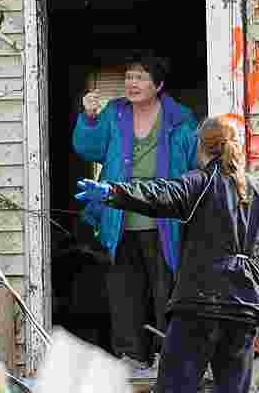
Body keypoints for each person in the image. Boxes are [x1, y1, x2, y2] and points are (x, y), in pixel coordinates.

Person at [76, 115, 259, 393]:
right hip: (244, 311)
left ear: (202, 147)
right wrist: (247, 277)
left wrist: (112, 192)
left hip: (198, 307)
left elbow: (157, 194)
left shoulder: (198, 183)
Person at [72, 54, 197, 371]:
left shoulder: (180, 119)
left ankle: (166, 355)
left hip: (164, 217)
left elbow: (195, 163)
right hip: (120, 216)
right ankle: (132, 355)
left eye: (140, 77)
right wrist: (88, 116)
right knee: (124, 289)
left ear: (159, 84)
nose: (132, 83)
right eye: (129, 76)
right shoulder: (114, 113)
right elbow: (90, 149)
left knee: (165, 289)